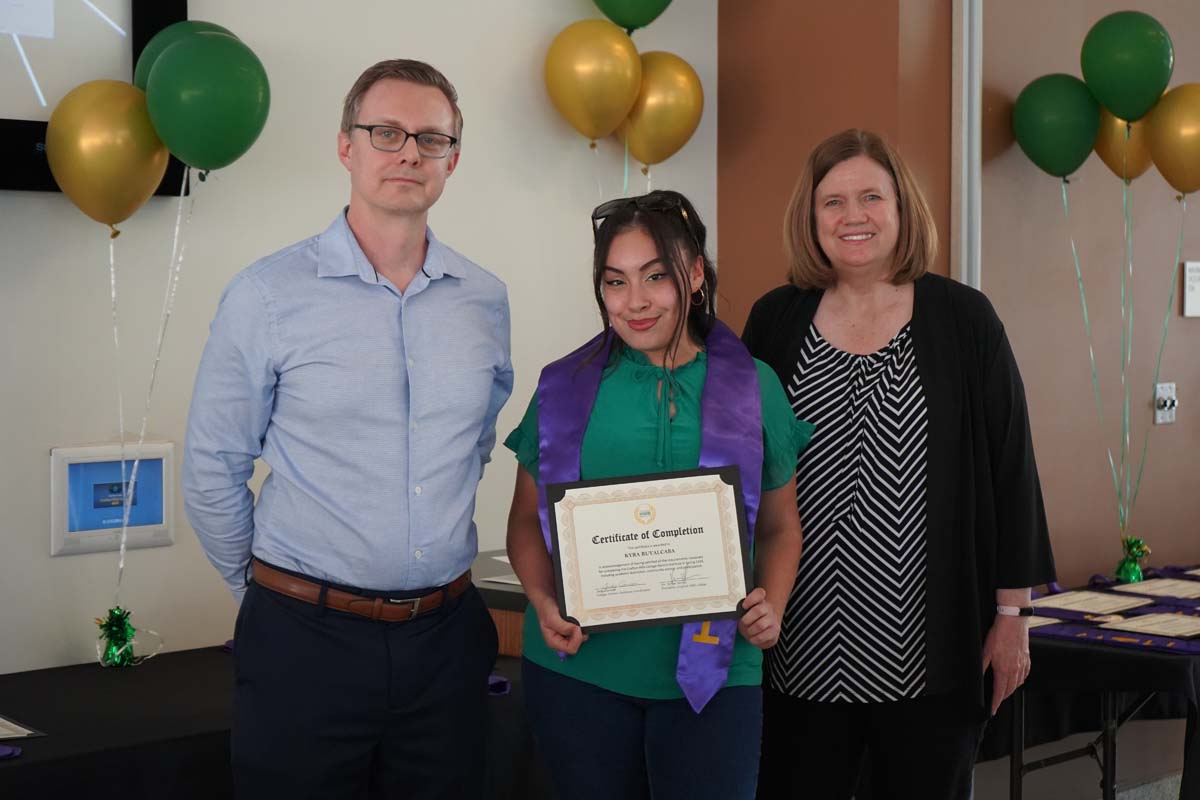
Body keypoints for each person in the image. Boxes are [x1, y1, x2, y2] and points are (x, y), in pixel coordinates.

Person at [181, 59, 512, 798]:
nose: (408, 153)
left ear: (453, 158)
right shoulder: (268, 295)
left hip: (446, 641)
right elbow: (212, 470)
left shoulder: (485, 302)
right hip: (304, 642)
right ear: (345, 147)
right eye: (385, 132)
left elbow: (473, 446)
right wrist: (270, 594)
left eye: (431, 138)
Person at [743, 128, 1056, 799]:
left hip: (928, 658)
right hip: (797, 652)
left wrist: (1013, 619)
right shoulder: (775, 321)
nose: (853, 216)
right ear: (811, 217)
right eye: (833, 202)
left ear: (902, 207)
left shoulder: (964, 320)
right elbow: (739, 466)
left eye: (870, 197)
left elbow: (1011, 471)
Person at [504, 190, 810, 800]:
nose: (635, 301)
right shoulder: (564, 386)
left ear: (694, 275)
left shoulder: (754, 387)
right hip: (579, 671)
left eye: (656, 276)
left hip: (714, 674)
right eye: (615, 281)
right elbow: (524, 523)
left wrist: (772, 603)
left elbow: (779, 525)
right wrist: (541, 600)